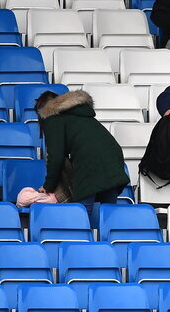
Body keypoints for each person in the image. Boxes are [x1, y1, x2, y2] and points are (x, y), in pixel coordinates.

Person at [35, 90, 130, 222]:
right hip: (113, 156)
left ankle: (82, 241)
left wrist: (48, 186)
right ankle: (111, 240)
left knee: (83, 213)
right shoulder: (79, 114)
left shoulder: (52, 118)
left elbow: (55, 157)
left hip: (91, 160)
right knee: (109, 212)